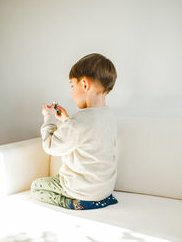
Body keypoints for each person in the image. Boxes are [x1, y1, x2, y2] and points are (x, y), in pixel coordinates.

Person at [31, 53, 118, 210]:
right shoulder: (109, 116)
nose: (72, 90)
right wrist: (66, 120)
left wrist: (48, 118)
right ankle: (96, 200)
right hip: (104, 190)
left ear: (84, 84)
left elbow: (50, 147)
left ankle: (72, 203)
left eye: (72, 85)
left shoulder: (79, 121)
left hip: (82, 191)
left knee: (36, 187)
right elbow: (87, 133)